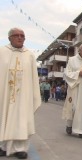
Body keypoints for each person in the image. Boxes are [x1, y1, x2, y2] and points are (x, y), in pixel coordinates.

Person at [0, 28, 41, 159]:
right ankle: (4, 146)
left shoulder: (29, 55)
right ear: (9, 38)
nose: (20, 38)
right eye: (16, 35)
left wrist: (34, 94)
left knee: (22, 120)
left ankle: (21, 148)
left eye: (22, 36)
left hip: (24, 95)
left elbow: (34, 78)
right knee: (4, 117)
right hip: (5, 93)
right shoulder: (2, 52)